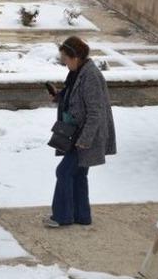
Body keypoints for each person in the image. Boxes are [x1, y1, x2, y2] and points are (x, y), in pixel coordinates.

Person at [45, 36, 116, 228]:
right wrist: (58, 97)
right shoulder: (79, 73)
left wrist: (85, 140)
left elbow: (96, 111)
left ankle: (62, 216)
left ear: (75, 57)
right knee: (78, 174)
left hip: (84, 136)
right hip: (77, 133)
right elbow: (75, 98)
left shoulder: (90, 76)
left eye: (65, 59)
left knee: (64, 172)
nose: (64, 63)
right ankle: (81, 215)